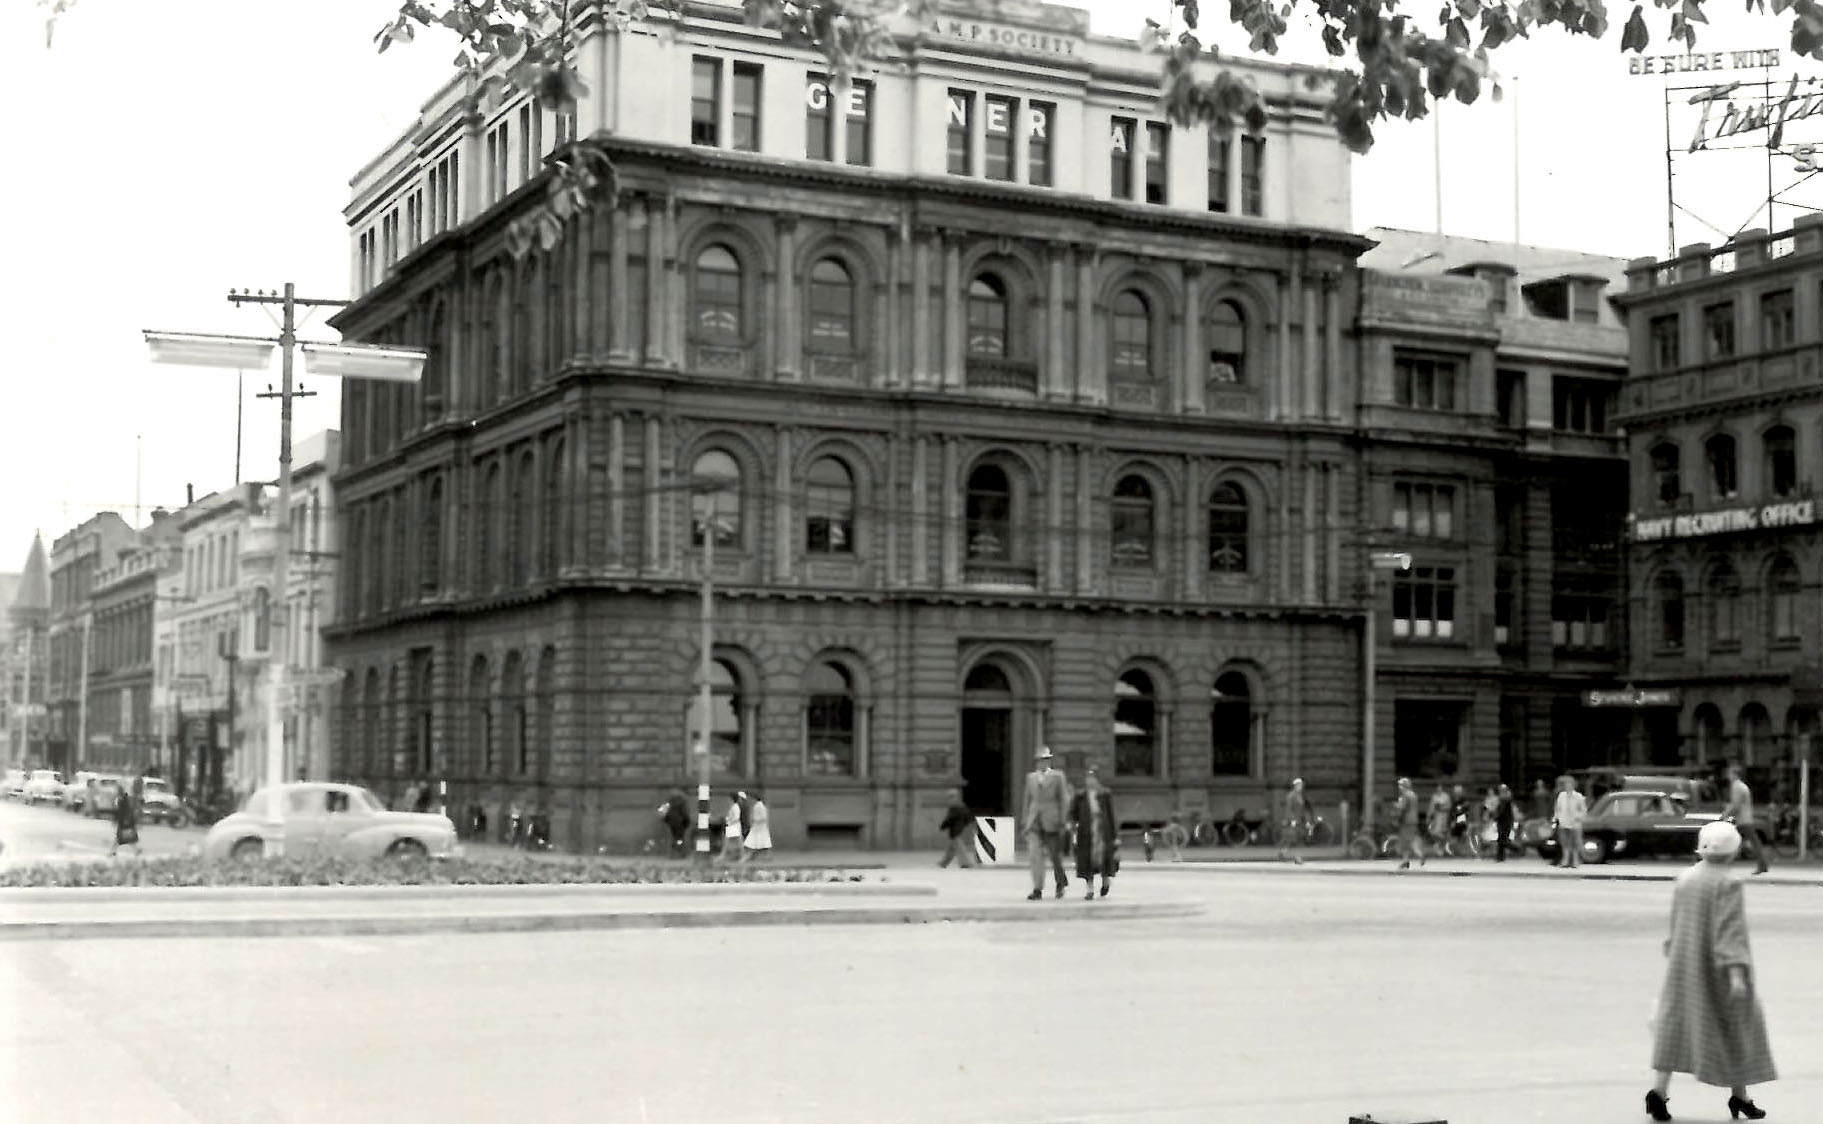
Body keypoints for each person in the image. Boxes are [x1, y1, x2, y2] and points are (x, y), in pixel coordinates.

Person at [1644, 821, 1776, 1121]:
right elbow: (1730, 931)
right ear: (1733, 850)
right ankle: (1740, 1097)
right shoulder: (1729, 883)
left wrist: (1674, 950)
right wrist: (1737, 975)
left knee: (1676, 1028)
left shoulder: (1685, 878)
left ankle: (1658, 1093)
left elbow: (1676, 921)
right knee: (1734, 1028)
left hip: (1684, 965)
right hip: (1718, 972)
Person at [1021, 747, 1071, 900]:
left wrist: (1063, 820)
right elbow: (1027, 801)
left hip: (1052, 820)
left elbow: (1064, 799)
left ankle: (1060, 883)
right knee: (1035, 855)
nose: (1042, 763)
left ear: (1049, 761)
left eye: (1045, 760)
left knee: (1055, 856)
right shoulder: (1031, 778)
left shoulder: (1057, 777)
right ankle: (1037, 888)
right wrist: (1025, 821)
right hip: (1034, 820)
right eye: (1040, 760)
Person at [1067, 769, 1118, 899]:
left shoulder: (1105, 795)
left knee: (1103, 859)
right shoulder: (1081, 796)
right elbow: (1072, 813)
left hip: (1102, 832)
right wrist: (1071, 824)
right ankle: (1089, 889)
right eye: (1088, 778)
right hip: (1086, 832)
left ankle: (1105, 881)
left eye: (1093, 778)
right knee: (1087, 861)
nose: (1090, 781)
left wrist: (1115, 836)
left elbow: (1111, 816)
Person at [1722, 764, 1771, 877]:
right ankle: (1762, 865)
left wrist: (1725, 815)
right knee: (1753, 842)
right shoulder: (1742, 786)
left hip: (1742, 820)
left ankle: (1722, 865)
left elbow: (1736, 805)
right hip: (1745, 818)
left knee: (1729, 841)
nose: (1728, 776)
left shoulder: (1736, 786)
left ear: (1735, 775)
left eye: (1730, 773)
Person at [937, 788, 978, 868]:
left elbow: (949, 818)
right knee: (952, 847)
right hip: (959, 828)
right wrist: (965, 824)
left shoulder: (954, 806)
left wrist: (942, 826)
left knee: (959, 847)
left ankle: (966, 863)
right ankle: (944, 862)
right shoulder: (961, 805)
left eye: (949, 796)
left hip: (955, 830)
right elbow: (967, 816)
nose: (949, 799)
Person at [1553, 774, 1587, 869]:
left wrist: (1578, 817)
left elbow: (1583, 810)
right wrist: (1557, 817)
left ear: (1573, 785)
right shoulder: (1561, 796)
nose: (1568, 786)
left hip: (1575, 823)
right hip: (1564, 822)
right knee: (1565, 843)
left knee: (1575, 843)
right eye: (1566, 784)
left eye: (1570, 784)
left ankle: (1575, 861)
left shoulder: (1578, 796)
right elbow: (1557, 808)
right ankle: (1565, 860)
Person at [1278, 777, 1313, 864]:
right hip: (1293, 821)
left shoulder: (1300, 796)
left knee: (1298, 839)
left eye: (1301, 785)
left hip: (1300, 820)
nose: (1300, 787)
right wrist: (1292, 820)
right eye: (1298, 785)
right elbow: (1288, 809)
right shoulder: (1291, 796)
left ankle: (1293, 856)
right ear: (1295, 786)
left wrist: (1306, 820)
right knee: (1292, 839)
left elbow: (1303, 809)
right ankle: (1286, 853)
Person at [1395, 777, 1426, 871]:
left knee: (1406, 841)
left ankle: (1419, 855)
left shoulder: (1405, 796)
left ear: (1404, 786)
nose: (1399, 787)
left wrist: (1397, 806)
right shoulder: (1414, 795)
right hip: (1413, 820)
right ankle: (1406, 861)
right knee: (1409, 840)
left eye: (1400, 785)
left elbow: (1403, 808)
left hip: (1406, 821)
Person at [109, 776, 143, 859]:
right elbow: (120, 810)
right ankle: (114, 851)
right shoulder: (123, 798)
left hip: (125, 820)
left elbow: (123, 810)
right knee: (125, 837)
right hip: (124, 820)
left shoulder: (123, 798)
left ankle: (113, 851)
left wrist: (121, 819)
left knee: (122, 837)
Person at [658, 788, 690, 858]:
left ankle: (672, 853)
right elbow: (684, 812)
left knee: (673, 837)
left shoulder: (668, 800)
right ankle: (680, 853)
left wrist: (665, 820)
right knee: (680, 838)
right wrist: (687, 821)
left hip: (670, 822)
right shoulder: (682, 801)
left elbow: (662, 811)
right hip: (679, 822)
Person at [741, 792, 772, 863]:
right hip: (757, 828)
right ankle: (753, 856)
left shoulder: (759, 806)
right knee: (755, 843)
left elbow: (763, 817)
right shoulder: (757, 806)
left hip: (759, 828)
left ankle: (751, 856)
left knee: (755, 843)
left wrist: (755, 820)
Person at [1493, 783, 1516, 862]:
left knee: (1502, 839)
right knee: (1502, 838)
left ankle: (1515, 849)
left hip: (1504, 821)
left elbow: (1501, 811)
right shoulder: (1505, 799)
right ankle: (1500, 856)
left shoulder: (1504, 799)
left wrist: (1496, 816)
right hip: (1505, 820)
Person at [719, 792, 745, 863]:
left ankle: (742, 857)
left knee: (739, 842)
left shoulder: (735, 807)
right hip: (731, 826)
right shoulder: (733, 806)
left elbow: (736, 817)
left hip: (734, 826)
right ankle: (722, 855)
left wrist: (728, 820)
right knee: (727, 841)